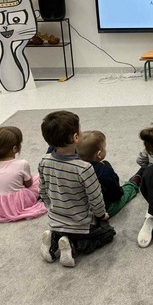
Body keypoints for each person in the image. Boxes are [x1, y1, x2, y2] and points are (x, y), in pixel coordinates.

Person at [38, 110, 115, 268]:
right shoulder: (84, 168)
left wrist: (50, 206)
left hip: (55, 219)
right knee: (107, 233)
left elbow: (43, 189)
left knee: (62, 228)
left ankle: (53, 238)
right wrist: (101, 215)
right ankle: (73, 245)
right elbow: (95, 197)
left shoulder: (44, 161)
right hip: (81, 223)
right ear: (75, 138)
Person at [0, 126, 47, 222]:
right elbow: (28, 185)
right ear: (15, 148)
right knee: (39, 178)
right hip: (17, 203)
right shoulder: (22, 164)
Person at [77, 130, 139, 218]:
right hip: (105, 209)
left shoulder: (74, 167)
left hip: (82, 209)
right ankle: (134, 183)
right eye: (104, 148)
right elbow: (116, 192)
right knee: (128, 190)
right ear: (99, 154)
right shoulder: (105, 170)